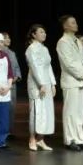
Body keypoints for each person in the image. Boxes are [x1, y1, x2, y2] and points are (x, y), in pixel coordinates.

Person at [57, 15, 83, 151]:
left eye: (75, 22)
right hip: (71, 81)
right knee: (70, 112)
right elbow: (68, 63)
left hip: (81, 81)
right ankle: (70, 139)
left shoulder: (77, 41)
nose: (76, 24)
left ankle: (79, 139)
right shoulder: (62, 42)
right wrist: (82, 75)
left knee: (79, 112)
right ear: (65, 26)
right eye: (72, 22)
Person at [24, 24, 56, 152]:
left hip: (46, 83)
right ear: (34, 34)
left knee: (46, 111)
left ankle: (41, 139)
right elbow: (34, 67)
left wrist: (53, 83)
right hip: (36, 84)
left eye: (45, 32)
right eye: (41, 32)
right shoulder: (31, 49)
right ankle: (32, 138)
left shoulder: (45, 49)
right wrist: (41, 84)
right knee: (36, 111)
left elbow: (49, 66)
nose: (44, 34)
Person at [2, 32, 22, 140]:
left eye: (9, 37)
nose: (8, 39)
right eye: (5, 38)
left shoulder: (12, 53)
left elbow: (17, 67)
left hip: (12, 84)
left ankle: (9, 130)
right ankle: (2, 130)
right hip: (3, 84)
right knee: (3, 108)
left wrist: (17, 76)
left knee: (12, 108)